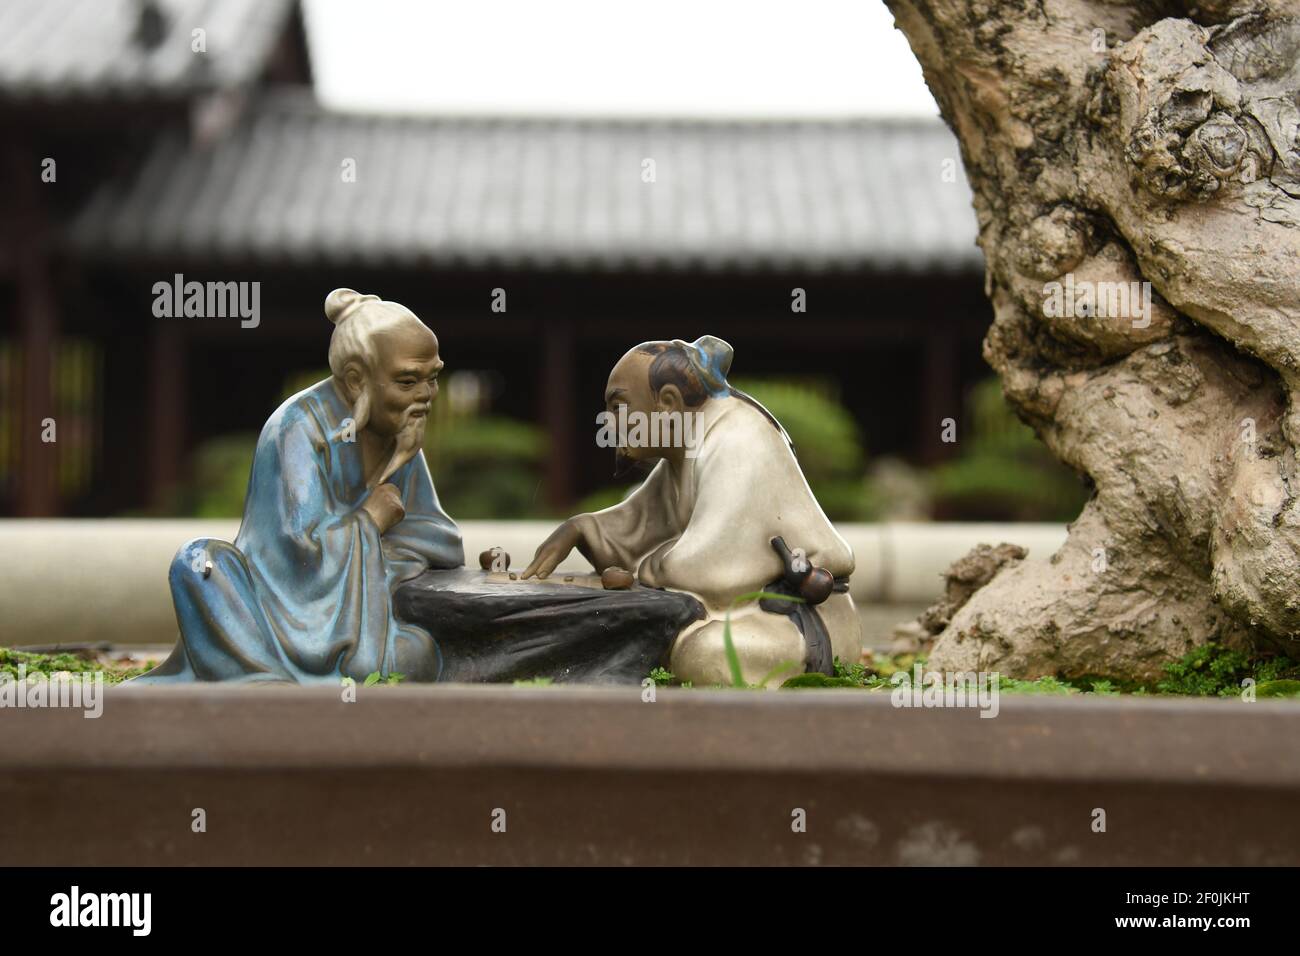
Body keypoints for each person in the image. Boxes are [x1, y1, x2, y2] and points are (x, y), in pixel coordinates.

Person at [133, 289, 463, 684]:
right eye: (408, 381)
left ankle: (280, 683)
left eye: (433, 378)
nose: (425, 395)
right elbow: (294, 552)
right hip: (269, 609)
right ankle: (261, 678)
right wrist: (369, 521)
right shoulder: (297, 427)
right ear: (357, 380)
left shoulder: (400, 433)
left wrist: (382, 553)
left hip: (358, 621)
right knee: (198, 564)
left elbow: (439, 538)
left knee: (418, 653)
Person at [523, 336, 861, 686]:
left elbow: (716, 567)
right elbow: (641, 525)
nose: (608, 423)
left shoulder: (738, 439)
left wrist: (645, 567)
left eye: (618, 407)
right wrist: (581, 529)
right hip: (749, 617)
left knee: (703, 653)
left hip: (800, 623)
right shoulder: (687, 444)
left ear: (668, 402)